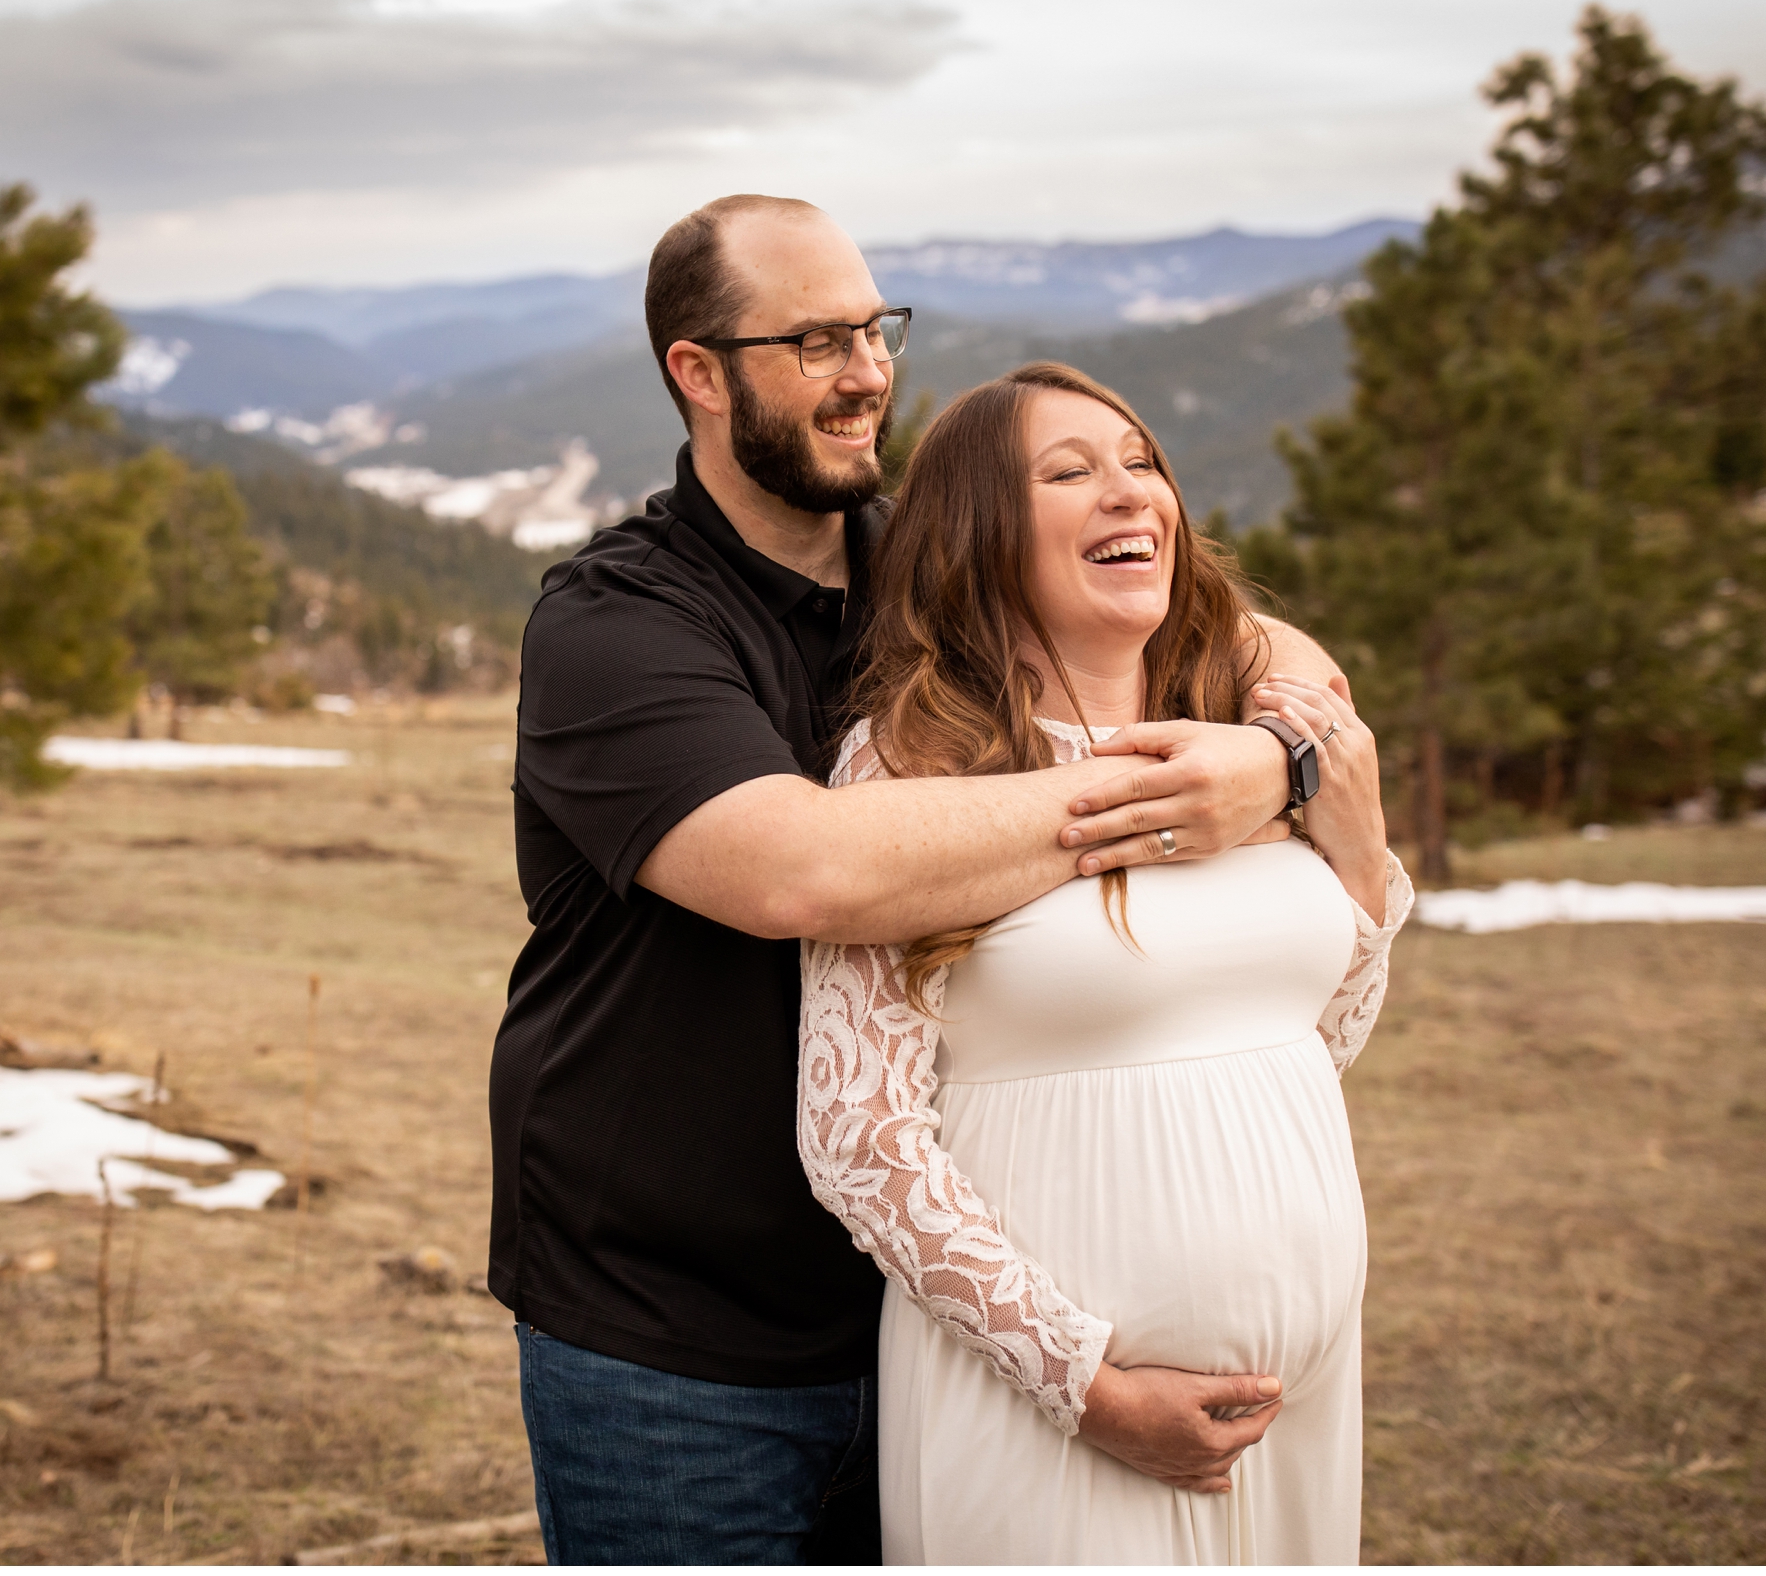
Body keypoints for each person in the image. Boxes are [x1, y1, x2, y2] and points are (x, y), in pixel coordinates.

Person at [491, 194, 1336, 1565]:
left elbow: (1252, 633)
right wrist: (1180, 791)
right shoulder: (613, 625)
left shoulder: (933, 567)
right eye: (815, 339)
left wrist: (1282, 747)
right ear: (696, 375)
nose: (867, 371)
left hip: (936, 1315)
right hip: (676, 1336)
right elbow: (804, 874)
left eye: (874, 329)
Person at [797, 362, 1413, 1564]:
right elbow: (856, 1137)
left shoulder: (1253, 749)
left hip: (1298, 1401)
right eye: (1071, 474)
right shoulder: (912, 768)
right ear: (981, 539)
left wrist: (1361, 844)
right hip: (1055, 1415)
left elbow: (1311, 1040)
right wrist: (1086, 1383)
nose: (1131, 495)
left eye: (1144, 464)